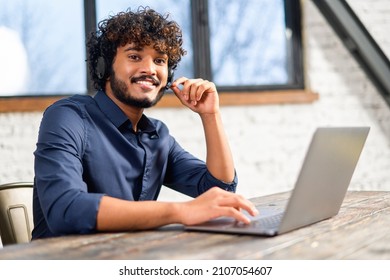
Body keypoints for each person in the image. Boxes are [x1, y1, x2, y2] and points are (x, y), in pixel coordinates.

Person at [32, 7, 258, 239]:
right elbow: (65, 209)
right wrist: (180, 211)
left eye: (159, 60)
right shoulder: (68, 116)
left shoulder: (158, 136)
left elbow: (219, 191)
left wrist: (210, 116)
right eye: (134, 56)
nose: (150, 69)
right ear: (104, 67)